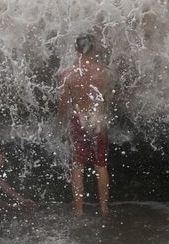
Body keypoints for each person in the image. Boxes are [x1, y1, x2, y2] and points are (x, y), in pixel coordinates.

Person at [57, 34, 114, 216]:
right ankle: (104, 210)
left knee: (78, 165)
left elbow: (63, 105)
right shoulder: (104, 72)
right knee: (101, 165)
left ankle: (79, 210)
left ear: (76, 49)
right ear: (94, 48)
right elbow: (109, 100)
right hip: (97, 119)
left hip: (78, 118)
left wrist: (61, 121)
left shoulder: (68, 73)